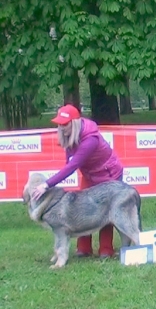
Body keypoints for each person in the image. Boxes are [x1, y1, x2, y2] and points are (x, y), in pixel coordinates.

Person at [31, 104, 124, 258]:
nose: (61, 127)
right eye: (59, 124)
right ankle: (83, 249)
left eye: (64, 124)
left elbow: (72, 166)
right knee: (82, 208)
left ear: (73, 123)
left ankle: (106, 250)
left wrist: (46, 185)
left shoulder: (90, 140)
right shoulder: (70, 136)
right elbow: (69, 161)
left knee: (107, 210)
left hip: (109, 174)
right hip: (90, 175)